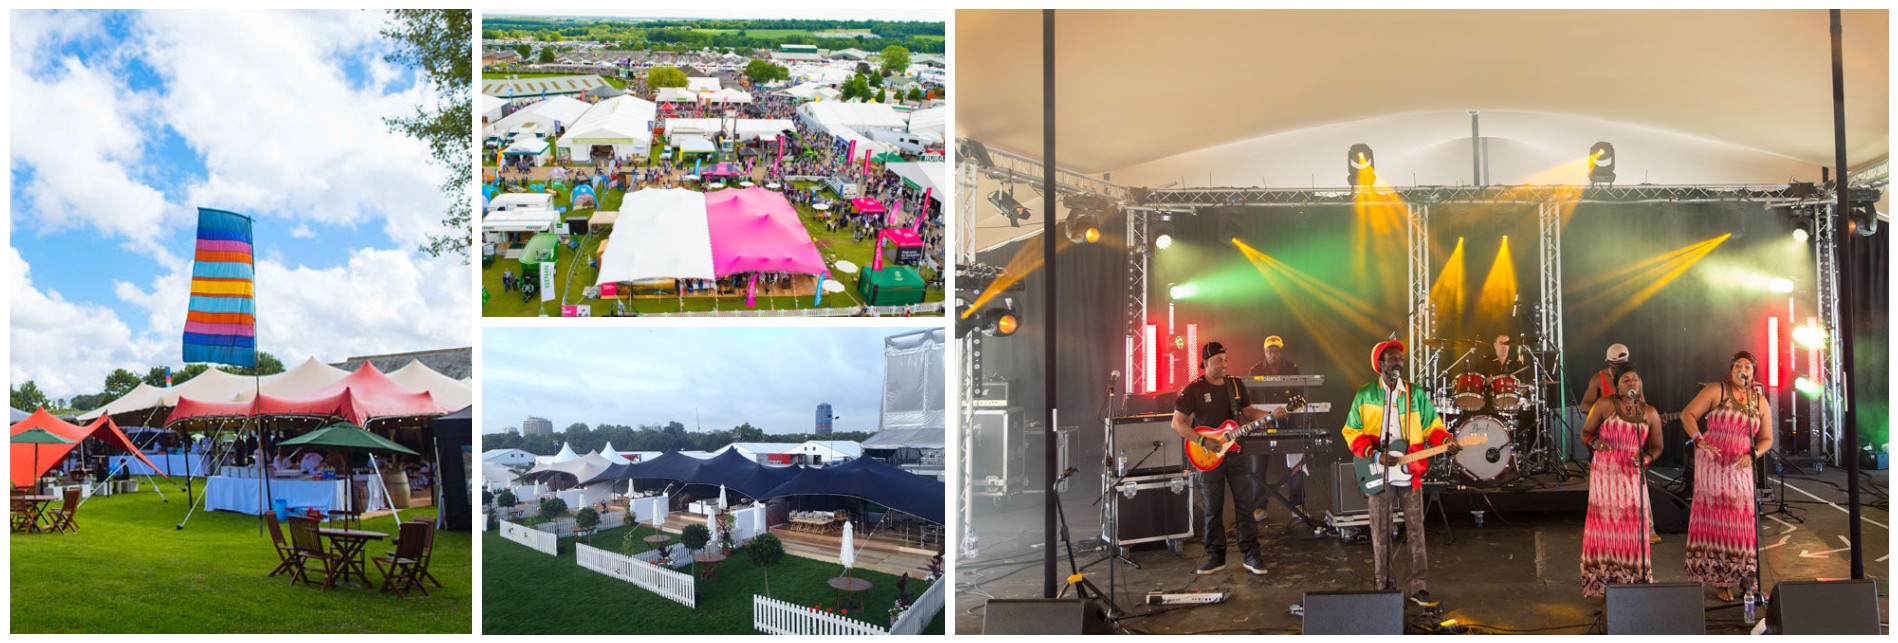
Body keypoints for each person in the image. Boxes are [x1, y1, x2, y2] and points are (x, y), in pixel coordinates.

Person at [1341, 340, 1458, 607]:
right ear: (1380, 364)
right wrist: (1374, 454)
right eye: (1392, 358)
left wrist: (1445, 440)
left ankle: (1419, 586)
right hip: (1378, 471)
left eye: (1401, 358)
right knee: (1380, 532)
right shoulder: (1365, 394)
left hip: (1410, 472)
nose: (1398, 362)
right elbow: (1351, 431)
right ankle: (1384, 585)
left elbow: (1433, 427)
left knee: (1416, 532)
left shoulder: (1414, 394)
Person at [1170, 341, 1286, 576]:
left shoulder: (1235, 385)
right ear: (1205, 363)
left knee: (1246, 506)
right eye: (1218, 360)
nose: (1224, 364)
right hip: (1208, 456)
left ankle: (1251, 555)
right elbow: (1177, 423)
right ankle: (1215, 556)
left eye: (1225, 359)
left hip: (1236, 454)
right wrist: (1202, 441)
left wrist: (1269, 415)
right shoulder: (1193, 389)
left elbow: (1248, 412)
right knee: (1213, 509)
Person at [1679, 351, 1773, 602]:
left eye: (1748, 366)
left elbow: (1767, 438)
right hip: (1713, 461)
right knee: (1716, 522)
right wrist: (1699, 440)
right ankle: (1721, 580)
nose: (1743, 369)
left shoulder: (1759, 400)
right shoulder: (1716, 390)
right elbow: (1687, 414)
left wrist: (1753, 454)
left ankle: (1746, 579)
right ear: (1731, 370)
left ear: (1753, 373)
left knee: (1742, 523)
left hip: (1741, 465)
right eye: (1738, 365)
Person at [1578, 362, 1662, 597]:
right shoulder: (1605, 404)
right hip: (1605, 475)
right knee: (1605, 527)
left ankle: (1634, 579)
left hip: (1633, 476)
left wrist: (1646, 458)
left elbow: (1657, 447)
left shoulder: (1650, 412)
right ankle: (1603, 583)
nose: (1632, 382)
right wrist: (1594, 443)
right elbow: (1585, 432)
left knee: (1632, 528)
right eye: (1626, 379)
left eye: (1635, 378)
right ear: (1616, 386)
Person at [1245, 336, 1307, 521]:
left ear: (1281, 351)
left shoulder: (1292, 369)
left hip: (1287, 420)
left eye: (1277, 351)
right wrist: (1262, 416)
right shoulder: (1255, 370)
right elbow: (1249, 399)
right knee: (1257, 466)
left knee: (1297, 464)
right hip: (1262, 423)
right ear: (1265, 352)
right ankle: (1259, 507)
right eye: (1270, 351)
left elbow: (1300, 395)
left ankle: (1298, 505)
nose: (1273, 354)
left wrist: (1289, 411)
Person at [1579, 344, 1631, 410]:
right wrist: (1602, 414)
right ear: (1609, 362)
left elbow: (1643, 406)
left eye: (1625, 364)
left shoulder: (1634, 378)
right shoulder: (1599, 379)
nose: (1623, 368)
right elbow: (1584, 406)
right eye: (1618, 364)